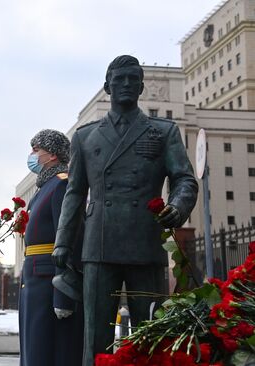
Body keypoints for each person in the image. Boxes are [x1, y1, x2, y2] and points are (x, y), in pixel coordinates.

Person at [52, 55, 198, 365]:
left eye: (134, 79)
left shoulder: (163, 131)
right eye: (120, 80)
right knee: (95, 337)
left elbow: (184, 179)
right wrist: (63, 242)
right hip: (99, 244)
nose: (127, 85)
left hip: (145, 242)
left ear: (142, 87)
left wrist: (178, 206)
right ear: (107, 86)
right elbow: (75, 193)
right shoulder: (85, 136)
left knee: (150, 333)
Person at [19, 129, 84, 366]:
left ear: (53, 155)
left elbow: (70, 240)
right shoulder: (44, 188)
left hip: (49, 283)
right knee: (34, 350)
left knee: (51, 351)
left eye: (36, 150)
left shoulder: (61, 185)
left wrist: (63, 295)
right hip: (36, 281)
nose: (32, 155)